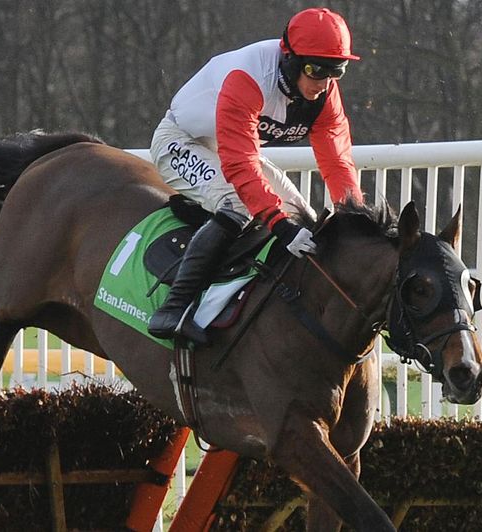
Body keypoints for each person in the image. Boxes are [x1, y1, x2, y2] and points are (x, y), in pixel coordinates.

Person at [148, 7, 364, 344]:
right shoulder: (248, 78)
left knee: (302, 214)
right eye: (314, 70)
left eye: (335, 72)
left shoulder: (324, 94)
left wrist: (353, 217)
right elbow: (240, 165)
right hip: (180, 141)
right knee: (242, 202)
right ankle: (173, 310)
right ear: (290, 59)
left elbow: (337, 163)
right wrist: (278, 225)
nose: (322, 84)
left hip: (225, 148)